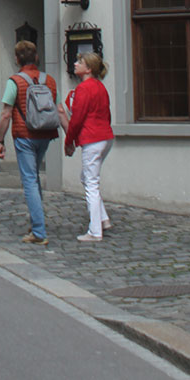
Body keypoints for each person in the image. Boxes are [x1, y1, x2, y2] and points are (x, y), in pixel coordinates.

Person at [0, 40, 60, 246]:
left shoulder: (14, 81)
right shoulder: (49, 81)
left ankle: (39, 231)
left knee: (29, 179)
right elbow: (57, 109)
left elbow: (6, 114)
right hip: (45, 134)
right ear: (37, 57)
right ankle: (35, 223)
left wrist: (0, 140)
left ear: (17, 59)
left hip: (24, 136)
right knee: (34, 178)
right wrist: (69, 136)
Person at [63, 51, 113, 243]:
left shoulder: (84, 89)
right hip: (105, 137)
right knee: (87, 177)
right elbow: (106, 114)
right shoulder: (100, 87)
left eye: (79, 62)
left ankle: (95, 231)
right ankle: (103, 219)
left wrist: (69, 142)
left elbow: (77, 119)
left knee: (91, 183)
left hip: (92, 138)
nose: (75, 64)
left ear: (88, 68)